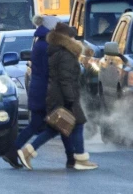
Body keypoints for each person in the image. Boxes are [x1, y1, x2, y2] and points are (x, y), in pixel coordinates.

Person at [16, 22, 97, 171]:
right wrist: (70, 99)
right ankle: (80, 159)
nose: (75, 39)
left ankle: (27, 152)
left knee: (55, 128)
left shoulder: (59, 51)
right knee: (77, 124)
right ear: (65, 38)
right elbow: (65, 79)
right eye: (72, 37)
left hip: (57, 96)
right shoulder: (65, 54)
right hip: (64, 97)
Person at [3, 15, 75, 169]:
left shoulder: (40, 43)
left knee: (41, 124)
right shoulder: (46, 46)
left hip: (39, 89)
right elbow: (51, 71)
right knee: (62, 123)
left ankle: (13, 151)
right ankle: (70, 157)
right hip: (46, 91)